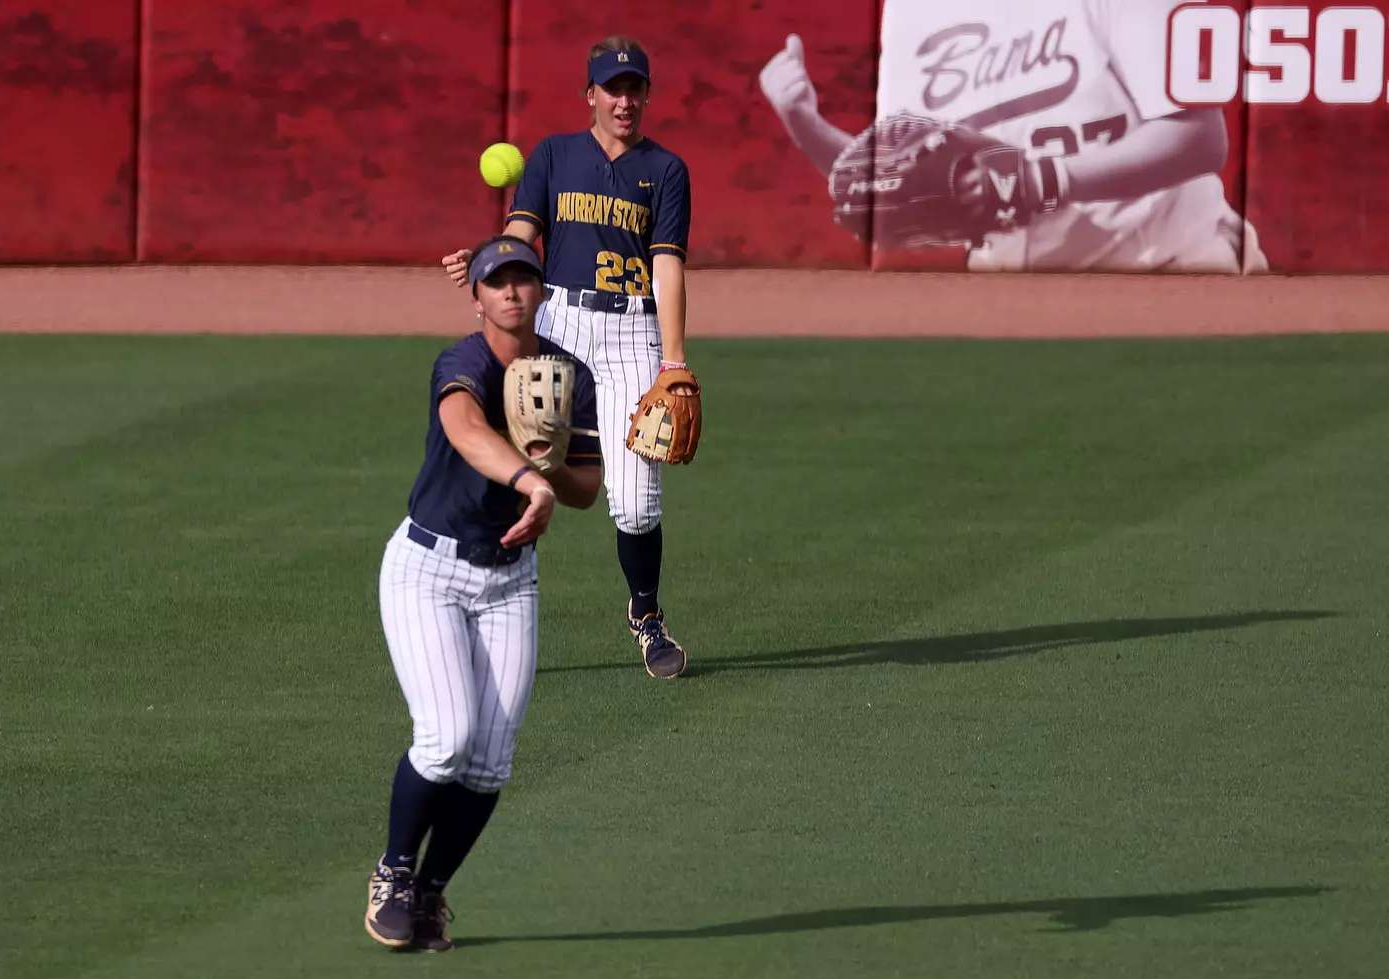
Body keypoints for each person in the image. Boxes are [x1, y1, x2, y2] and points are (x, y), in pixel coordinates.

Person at [367, 235, 603, 953]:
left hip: (509, 584)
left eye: (522, 280)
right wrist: (527, 480)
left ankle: (431, 896)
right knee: (445, 740)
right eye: (496, 281)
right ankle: (394, 873)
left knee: (491, 760)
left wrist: (551, 462)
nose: (510, 292)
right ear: (476, 297)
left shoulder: (569, 373)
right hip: (427, 571)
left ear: (540, 292)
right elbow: (465, 429)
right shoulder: (462, 361)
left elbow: (588, 490)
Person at [442, 35, 698, 680]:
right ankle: (480, 612)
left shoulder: (665, 171)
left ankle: (646, 615)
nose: (624, 100)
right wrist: (482, 258)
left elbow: (666, 266)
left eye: (635, 87)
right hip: (556, 326)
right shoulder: (553, 156)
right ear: (590, 95)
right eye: (612, 88)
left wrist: (672, 360)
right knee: (515, 469)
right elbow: (519, 238)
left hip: (630, 337)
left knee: (635, 503)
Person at [758, 0, 1268, 272]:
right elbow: (898, 188)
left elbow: (1200, 139)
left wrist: (1044, 178)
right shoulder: (913, 9)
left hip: (1169, 267)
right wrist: (808, 126)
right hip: (1016, 305)